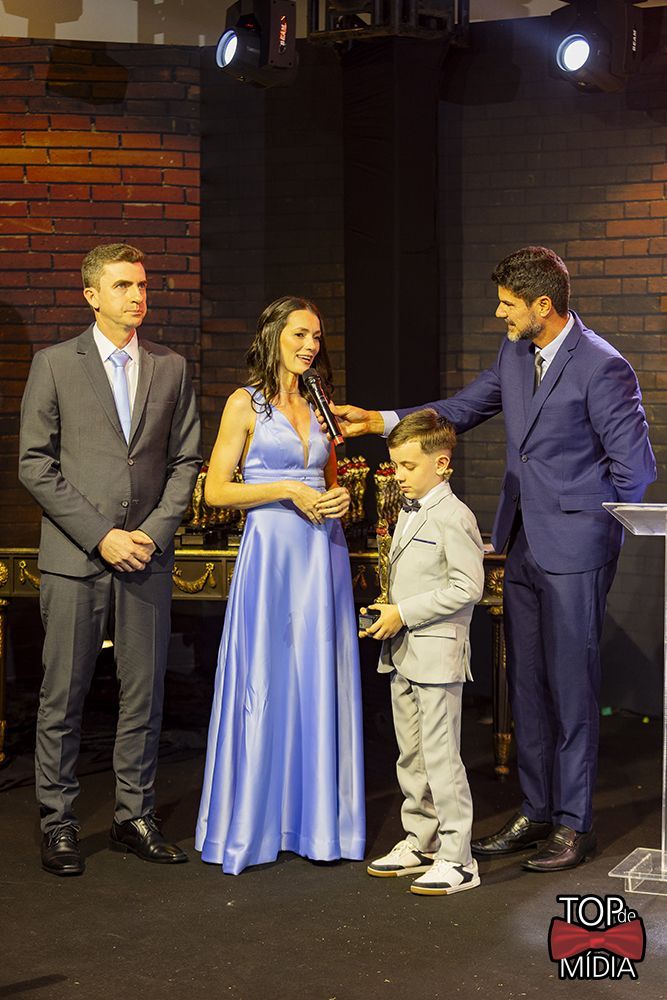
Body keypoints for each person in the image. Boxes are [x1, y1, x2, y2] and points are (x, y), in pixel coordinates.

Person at [325, 246, 656, 872]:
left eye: (508, 304)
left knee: (571, 687)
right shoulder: (515, 353)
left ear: (542, 305)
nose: (499, 313)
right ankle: (537, 810)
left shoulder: (603, 367)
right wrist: (380, 420)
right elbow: (464, 408)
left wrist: (584, 529)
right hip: (520, 544)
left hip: (575, 551)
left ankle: (575, 824)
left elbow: (635, 472)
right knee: (526, 682)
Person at [19, 243, 202, 876]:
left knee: (143, 696)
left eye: (143, 285)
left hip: (146, 558)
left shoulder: (171, 367)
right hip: (76, 559)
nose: (137, 296)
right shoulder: (54, 363)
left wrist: (151, 532)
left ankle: (134, 816)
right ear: (91, 295)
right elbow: (34, 464)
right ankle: (59, 822)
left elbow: (186, 460)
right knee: (62, 697)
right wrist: (102, 536)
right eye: (123, 285)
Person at [195, 296, 365, 875]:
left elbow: (332, 480)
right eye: (299, 334)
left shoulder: (321, 404)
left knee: (317, 675)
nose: (311, 345)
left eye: (317, 336)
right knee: (266, 677)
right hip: (270, 553)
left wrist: (340, 499)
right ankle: (254, 822)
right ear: (273, 336)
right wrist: (287, 489)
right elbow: (217, 491)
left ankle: (317, 825)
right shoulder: (245, 403)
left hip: (322, 553)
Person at [362, 410, 484, 895]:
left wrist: (404, 612)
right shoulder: (409, 511)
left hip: (436, 656)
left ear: (442, 464)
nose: (398, 475)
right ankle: (423, 840)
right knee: (411, 756)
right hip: (403, 653)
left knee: (441, 758)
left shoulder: (455, 515)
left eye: (408, 466)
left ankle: (459, 859)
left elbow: (467, 587)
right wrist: (390, 611)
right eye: (395, 465)